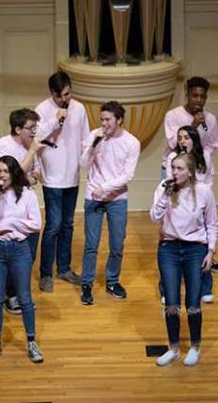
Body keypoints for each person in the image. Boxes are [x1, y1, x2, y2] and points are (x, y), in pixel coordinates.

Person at [150, 154, 218, 367]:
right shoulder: (165, 188)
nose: (175, 172)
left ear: (189, 171)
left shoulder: (204, 191)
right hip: (169, 248)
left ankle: (195, 347)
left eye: (180, 168)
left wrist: (211, 251)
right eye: (173, 168)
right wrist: (164, 196)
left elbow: (213, 223)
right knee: (171, 302)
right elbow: (153, 217)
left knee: (192, 302)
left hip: (195, 249)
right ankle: (173, 348)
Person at [0, 155, 44, 363]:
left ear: (13, 173)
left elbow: (35, 224)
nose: (1, 175)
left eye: (5, 171)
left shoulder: (27, 195)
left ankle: (31, 342)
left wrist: (12, 223)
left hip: (19, 249)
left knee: (25, 298)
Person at [79, 101, 140, 305]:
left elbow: (127, 176)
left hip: (117, 199)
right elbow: (83, 165)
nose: (104, 123)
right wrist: (93, 146)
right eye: (102, 119)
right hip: (93, 197)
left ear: (119, 120)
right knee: (91, 244)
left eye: (108, 119)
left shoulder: (131, 143)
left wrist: (105, 188)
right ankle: (86, 284)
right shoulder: (95, 135)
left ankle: (112, 281)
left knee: (116, 244)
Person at [162, 76, 218, 274]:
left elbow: (213, 143)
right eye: (195, 95)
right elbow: (174, 144)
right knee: (172, 214)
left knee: (203, 214)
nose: (198, 100)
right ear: (187, 94)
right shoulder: (173, 115)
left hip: (198, 169)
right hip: (175, 168)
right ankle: (171, 256)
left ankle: (206, 255)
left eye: (202, 97)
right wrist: (194, 126)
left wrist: (202, 159)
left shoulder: (210, 119)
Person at [35, 71, 90, 292]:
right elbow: (37, 138)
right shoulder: (42, 109)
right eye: (59, 96)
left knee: (68, 224)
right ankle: (46, 272)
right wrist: (55, 120)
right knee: (53, 226)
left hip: (72, 175)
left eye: (67, 94)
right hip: (52, 177)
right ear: (52, 94)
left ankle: (64, 268)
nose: (64, 100)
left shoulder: (80, 108)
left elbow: (85, 139)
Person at [0, 107, 45, 313]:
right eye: (30, 128)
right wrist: (31, 154)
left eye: (35, 127)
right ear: (17, 128)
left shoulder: (30, 145)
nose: (34, 132)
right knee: (13, 251)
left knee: (28, 253)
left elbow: (36, 172)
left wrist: (32, 174)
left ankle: (19, 292)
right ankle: (10, 295)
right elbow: (10, 175)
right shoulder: (2, 145)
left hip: (26, 203)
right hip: (7, 207)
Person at [163, 125, 215, 303]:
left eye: (186, 137)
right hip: (177, 202)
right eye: (180, 138)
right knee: (168, 247)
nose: (183, 141)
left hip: (198, 202)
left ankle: (205, 287)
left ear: (194, 139)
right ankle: (167, 289)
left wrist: (202, 195)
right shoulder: (172, 157)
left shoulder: (204, 156)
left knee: (202, 243)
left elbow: (209, 177)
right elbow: (171, 181)